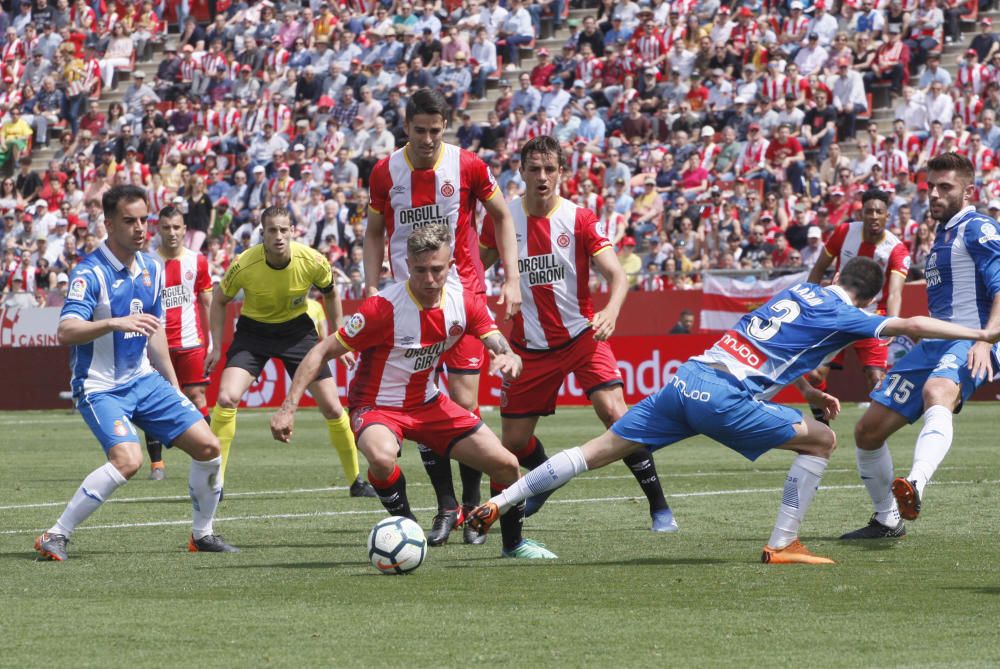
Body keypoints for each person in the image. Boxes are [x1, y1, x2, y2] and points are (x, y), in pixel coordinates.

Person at [466, 256, 1000, 564]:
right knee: (823, 441)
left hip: (689, 380)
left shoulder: (800, 291)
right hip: (724, 398)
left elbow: (775, 352)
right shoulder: (847, 312)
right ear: (864, 297)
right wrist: (980, 331)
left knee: (598, 449)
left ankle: (505, 500)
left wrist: (812, 394)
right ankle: (783, 543)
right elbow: (909, 326)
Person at [270, 223, 557, 559]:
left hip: (428, 403)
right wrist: (288, 407)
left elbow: (493, 337)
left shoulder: (463, 303)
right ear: (406, 266)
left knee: (508, 466)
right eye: (420, 270)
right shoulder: (382, 309)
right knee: (380, 457)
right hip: (375, 406)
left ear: (450, 266)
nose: (429, 279)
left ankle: (513, 545)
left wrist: (506, 353)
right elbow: (320, 351)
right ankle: (405, 524)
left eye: (437, 269)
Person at [479, 136, 677, 532]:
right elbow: (472, 274)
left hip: (582, 339)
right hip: (527, 349)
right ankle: (548, 476)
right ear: (520, 171)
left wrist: (611, 310)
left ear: (562, 173)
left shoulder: (580, 219)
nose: (542, 177)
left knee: (616, 414)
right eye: (534, 169)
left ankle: (660, 508)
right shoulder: (502, 219)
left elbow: (618, 276)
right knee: (514, 443)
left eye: (550, 169)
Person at [34, 185, 235, 561]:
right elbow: (66, 330)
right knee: (129, 460)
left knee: (209, 447)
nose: (141, 228)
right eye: (130, 221)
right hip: (100, 387)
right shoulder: (89, 273)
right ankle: (55, 535)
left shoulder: (152, 268)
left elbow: (153, 329)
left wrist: (173, 386)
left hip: (143, 380)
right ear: (109, 224)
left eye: (144, 219)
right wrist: (113, 322)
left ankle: (202, 534)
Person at [363, 87, 522, 545]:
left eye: (436, 131)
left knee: (465, 404)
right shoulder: (385, 171)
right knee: (416, 405)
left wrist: (510, 279)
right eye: (419, 130)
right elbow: (374, 233)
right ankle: (445, 506)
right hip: (408, 302)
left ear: (445, 127)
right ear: (405, 126)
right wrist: (373, 283)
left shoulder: (468, 165)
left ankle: (471, 507)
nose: (428, 139)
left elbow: (503, 217)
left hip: (463, 297)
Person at [843, 153, 1000, 539]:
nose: (934, 194)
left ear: (969, 191)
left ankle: (914, 484)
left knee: (937, 391)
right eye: (930, 187)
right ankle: (887, 520)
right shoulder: (943, 234)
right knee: (867, 431)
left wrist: (988, 337)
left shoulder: (978, 228)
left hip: (972, 338)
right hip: (936, 343)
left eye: (945, 187)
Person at [205, 206, 375, 498]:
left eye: (284, 230)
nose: (279, 236)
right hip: (253, 334)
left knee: (334, 407)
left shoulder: (313, 261)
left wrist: (338, 335)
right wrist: (215, 346)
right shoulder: (244, 264)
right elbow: (219, 301)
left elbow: (332, 293)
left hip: (298, 334)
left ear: (293, 231)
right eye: (272, 230)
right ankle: (215, 483)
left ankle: (357, 481)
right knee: (226, 397)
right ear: (263, 234)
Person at [804, 189, 911, 423]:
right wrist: (809, 303)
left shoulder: (896, 249)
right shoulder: (844, 232)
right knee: (813, 375)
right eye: (869, 211)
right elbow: (819, 269)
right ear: (861, 213)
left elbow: (894, 292)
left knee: (876, 381)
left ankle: (872, 441)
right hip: (837, 313)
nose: (873, 216)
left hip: (872, 318)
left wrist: (892, 320)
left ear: (887, 215)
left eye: (879, 212)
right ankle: (822, 429)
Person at [143, 206, 213, 481]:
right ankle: (157, 464)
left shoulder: (198, 261)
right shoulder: (147, 263)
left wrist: (211, 343)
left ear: (185, 229)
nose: (172, 233)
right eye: (166, 228)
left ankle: (209, 458)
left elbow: (207, 305)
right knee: (152, 401)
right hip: (156, 344)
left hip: (190, 343)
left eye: (176, 227)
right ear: (158, 230)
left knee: (197, 397)